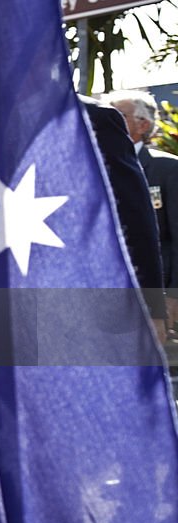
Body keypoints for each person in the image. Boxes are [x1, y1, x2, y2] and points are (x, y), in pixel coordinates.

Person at [82, 96, 167, 341]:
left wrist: (156, 303)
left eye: (125, 115)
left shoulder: (167, 168)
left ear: (143, 125)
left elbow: (139, 220)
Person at [109, 90, 178, 335]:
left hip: (155, 293)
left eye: (117, 115)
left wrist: (172, 296)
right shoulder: (97, 166)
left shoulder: (167, 168)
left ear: (143, 124)